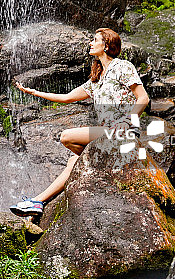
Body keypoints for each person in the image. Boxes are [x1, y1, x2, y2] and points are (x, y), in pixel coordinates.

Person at [9, 27, 149, 217]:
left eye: (95, 40)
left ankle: (37, 202)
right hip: (107, 135)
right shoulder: (96, 79)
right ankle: (37, 202)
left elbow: (143, 98)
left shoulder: (122, 67)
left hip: (124, 133)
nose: (90, 43)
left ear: (107, 45)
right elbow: (67, 97)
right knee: (74, 161)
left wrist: (126, 120)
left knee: (67, 137)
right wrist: (34, 92)